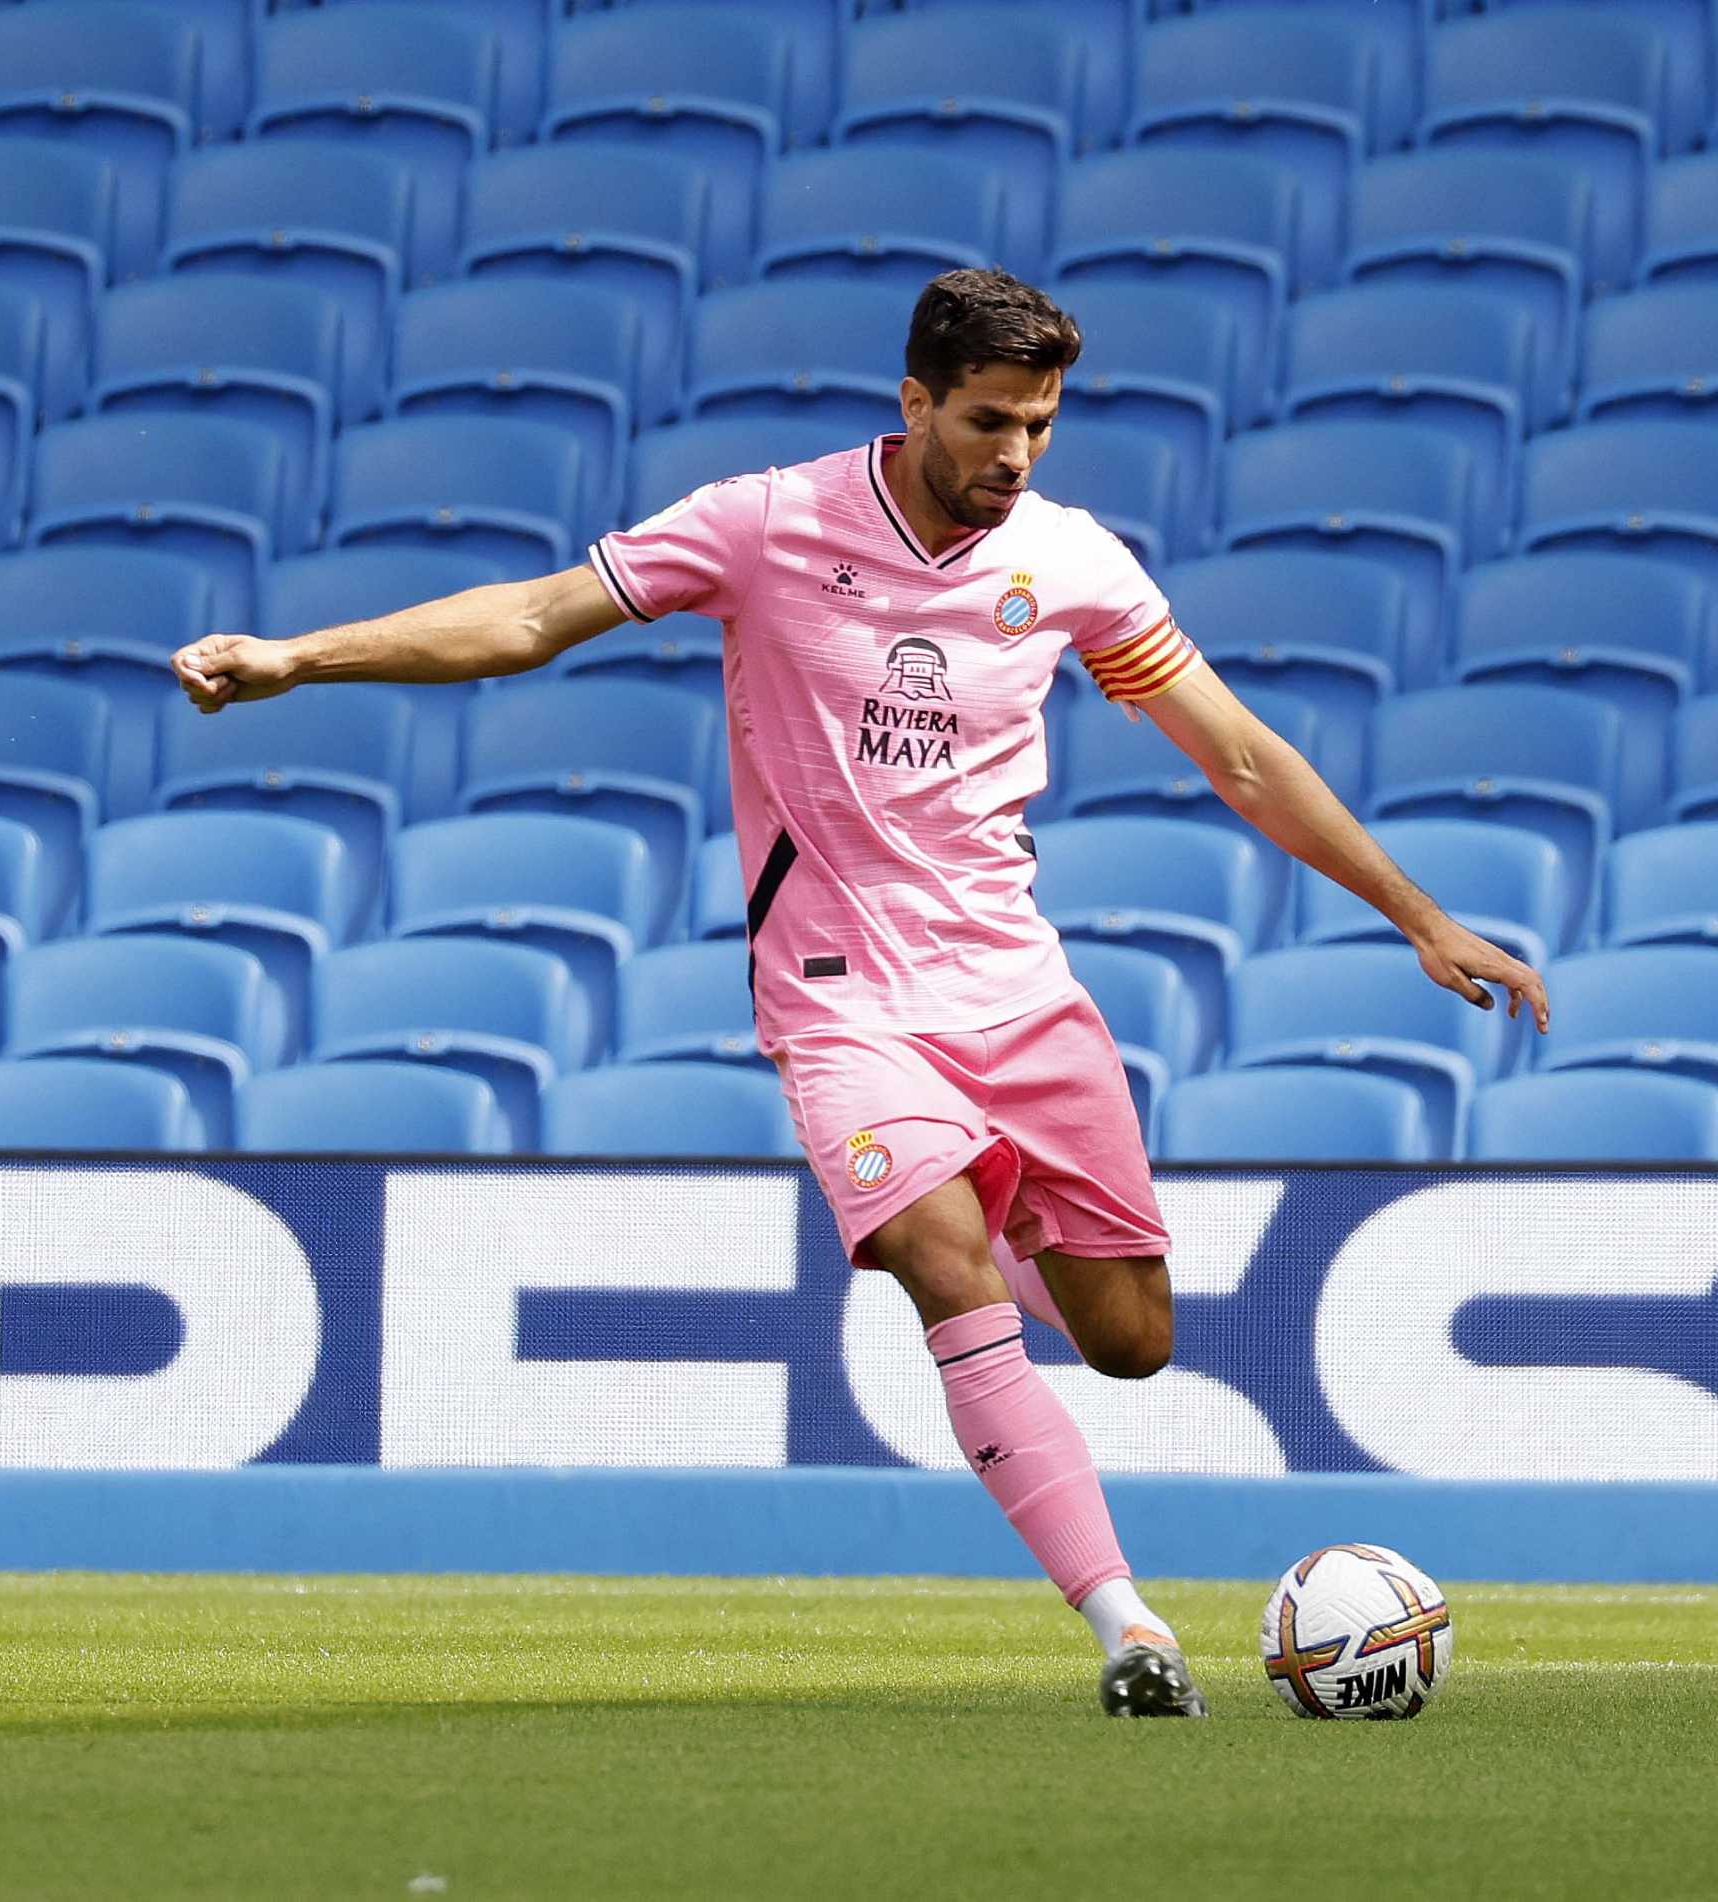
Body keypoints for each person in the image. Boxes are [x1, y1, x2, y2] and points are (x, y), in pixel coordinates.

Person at [171, 268, 1550, 1718]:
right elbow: (530, 617)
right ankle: (1129, 1626)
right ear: (915, 402)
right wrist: (296, 659)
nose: (1016, 453)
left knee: (1135, 1343)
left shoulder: (1073, 561)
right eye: (989, 420)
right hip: (841, 999)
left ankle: (995, 1204)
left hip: (1017, 991)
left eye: (1040, 424)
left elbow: (1244, 756)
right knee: (945, 1264)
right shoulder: (766, 524)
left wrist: (1420, 918)